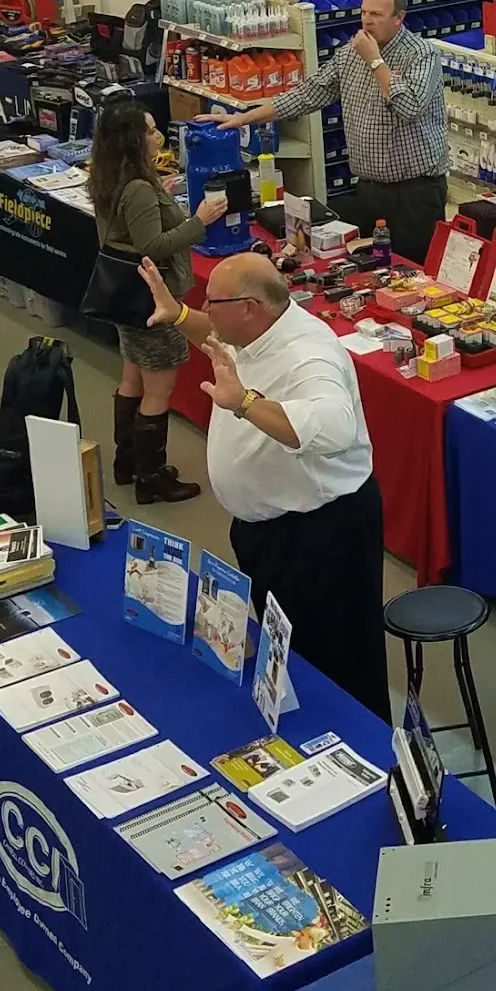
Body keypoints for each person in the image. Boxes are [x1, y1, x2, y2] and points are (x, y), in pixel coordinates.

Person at [136, 249, 390, 719]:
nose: (205, 309)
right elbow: (217, 334)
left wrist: (245, 402)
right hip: (269, 530)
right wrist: (178, 315)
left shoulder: (308, 355)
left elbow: (336, 428)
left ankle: (355, 742)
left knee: (335, 661)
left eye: (213, 302)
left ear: (250, 307)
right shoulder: (254, 331)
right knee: (288, 646)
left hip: (319, 536)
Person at [205, 0, 448, 262]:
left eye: (376, 15)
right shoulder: (349, 54)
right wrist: (244, 118)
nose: (367, 21)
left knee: (413, 271)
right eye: (364, 12)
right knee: (372, 270)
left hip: (414, 194)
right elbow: (306, 95)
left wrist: (375, 61)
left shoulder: (421, 55)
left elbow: (410, 107)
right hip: (369, 190)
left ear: (399, 18)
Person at [86, 97, 220, 505]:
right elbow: (153, 247)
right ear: (133, 140)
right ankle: (152, 476)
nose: (157, 136)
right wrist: (199, 221)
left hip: (124, 299)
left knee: (132, 378)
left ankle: (126, 463)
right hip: (152, 299)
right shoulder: (139, 189)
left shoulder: (107, 179)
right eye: (149, 130)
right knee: (159, 390)